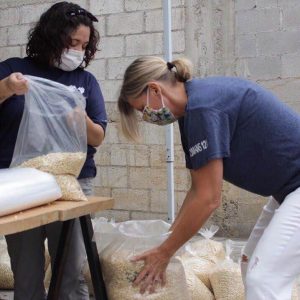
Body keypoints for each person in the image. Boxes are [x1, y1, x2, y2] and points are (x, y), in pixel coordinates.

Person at [117, 55, 300, 300]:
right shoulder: (191, 112)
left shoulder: (203, 108)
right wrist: (168, 240)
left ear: (154, 89)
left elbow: (208, 198)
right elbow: (197, 189)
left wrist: (165, 252)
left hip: (296, 187)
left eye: (142, 108)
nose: (146, 117)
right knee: (249, 265)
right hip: (288, 190)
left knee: (264, 278)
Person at [0, 2, 107, 300]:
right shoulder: (14, 70)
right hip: (20, 185)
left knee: (70, 271)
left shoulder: (85, 81)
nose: (78, 51)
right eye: (73, 42)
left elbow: (97, 136)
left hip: (71, 183)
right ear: (52, 35)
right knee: (27, 270)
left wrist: (81, 120)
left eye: (84, 45)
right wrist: (7, 88)